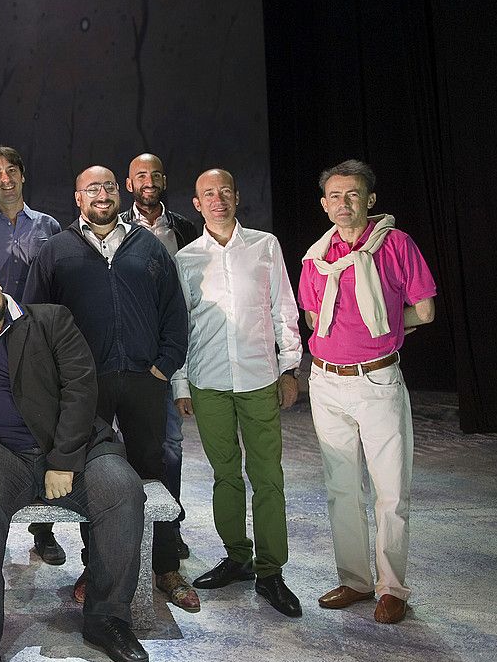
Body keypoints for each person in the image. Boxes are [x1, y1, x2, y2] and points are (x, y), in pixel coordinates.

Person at [0, 249, 150, 662]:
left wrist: (63, 460)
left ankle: (107, 619)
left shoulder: (48, 320)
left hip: (71, 448)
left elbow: (81, 386)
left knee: (122, 491)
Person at [23, 166, 192, 612]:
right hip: (84, 387)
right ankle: (97, 566)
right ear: (77, 198)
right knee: (96, 478)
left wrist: (163, 366)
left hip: (143, 382)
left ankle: (164, 566)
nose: (102, 194)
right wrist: (57, 380)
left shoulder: (148, 246)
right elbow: (35, 321)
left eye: (108, 186)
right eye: (91, 188)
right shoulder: (56, 251)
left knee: (153, 472)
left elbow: (174, 310)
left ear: (120, 194)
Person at [299, 159, 436, 624]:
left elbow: (425, 310)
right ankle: (355, 580)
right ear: (324, 204)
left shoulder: (396, 245)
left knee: (390, 490)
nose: (343, 203)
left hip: (377, 381)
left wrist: (387, 330)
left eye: (353, 195)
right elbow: (316, 321)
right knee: (341, 488)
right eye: (335, 196)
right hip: (326, 381)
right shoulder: (317, 257)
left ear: (370, 200)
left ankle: (392, 587)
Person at [172, 168, 304, 618]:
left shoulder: (264, 246)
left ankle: (271, 571)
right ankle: (237, 557)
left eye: (224, 191)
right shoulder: (187, 258)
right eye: (208, 193)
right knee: (225, 475)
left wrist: (290, 368)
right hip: (209, 382)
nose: (217, 199)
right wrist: (181, 382)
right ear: (196, 203)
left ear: (236, 197)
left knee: (268, 477)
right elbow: (182, 325)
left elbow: (284, 308)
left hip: (259, 379)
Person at [0, 145, 64, 565]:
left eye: (11, 170)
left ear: (22, 175)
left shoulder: (49, 225)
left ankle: (44, 531)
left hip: (35, 337)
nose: (5, 178)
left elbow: (57, 281)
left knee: (40, 422)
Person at [120, 152, 200, 560]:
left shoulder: (186, 229)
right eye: (140, 176)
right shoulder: (115, 229)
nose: (148, 181)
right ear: (128, 184)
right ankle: (121, 532)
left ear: (164, 180)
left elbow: (182, 302)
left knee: (169, 446)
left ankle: (168, 530)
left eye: (154, 174)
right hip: (121, 360)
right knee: (116, 448)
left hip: (165, 357)